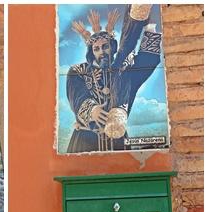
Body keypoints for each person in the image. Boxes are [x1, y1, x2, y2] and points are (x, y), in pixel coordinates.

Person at [66, 5, 162, 152]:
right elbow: (77, 96)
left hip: (118, 140)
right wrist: (93, 110)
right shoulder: (78, 71)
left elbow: (147, 61)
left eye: (105, 46)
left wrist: (150, 27)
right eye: (96, 49)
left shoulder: (125, 71)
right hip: (84, 140)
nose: (101, 52)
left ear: (112, 47)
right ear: (91, 53)